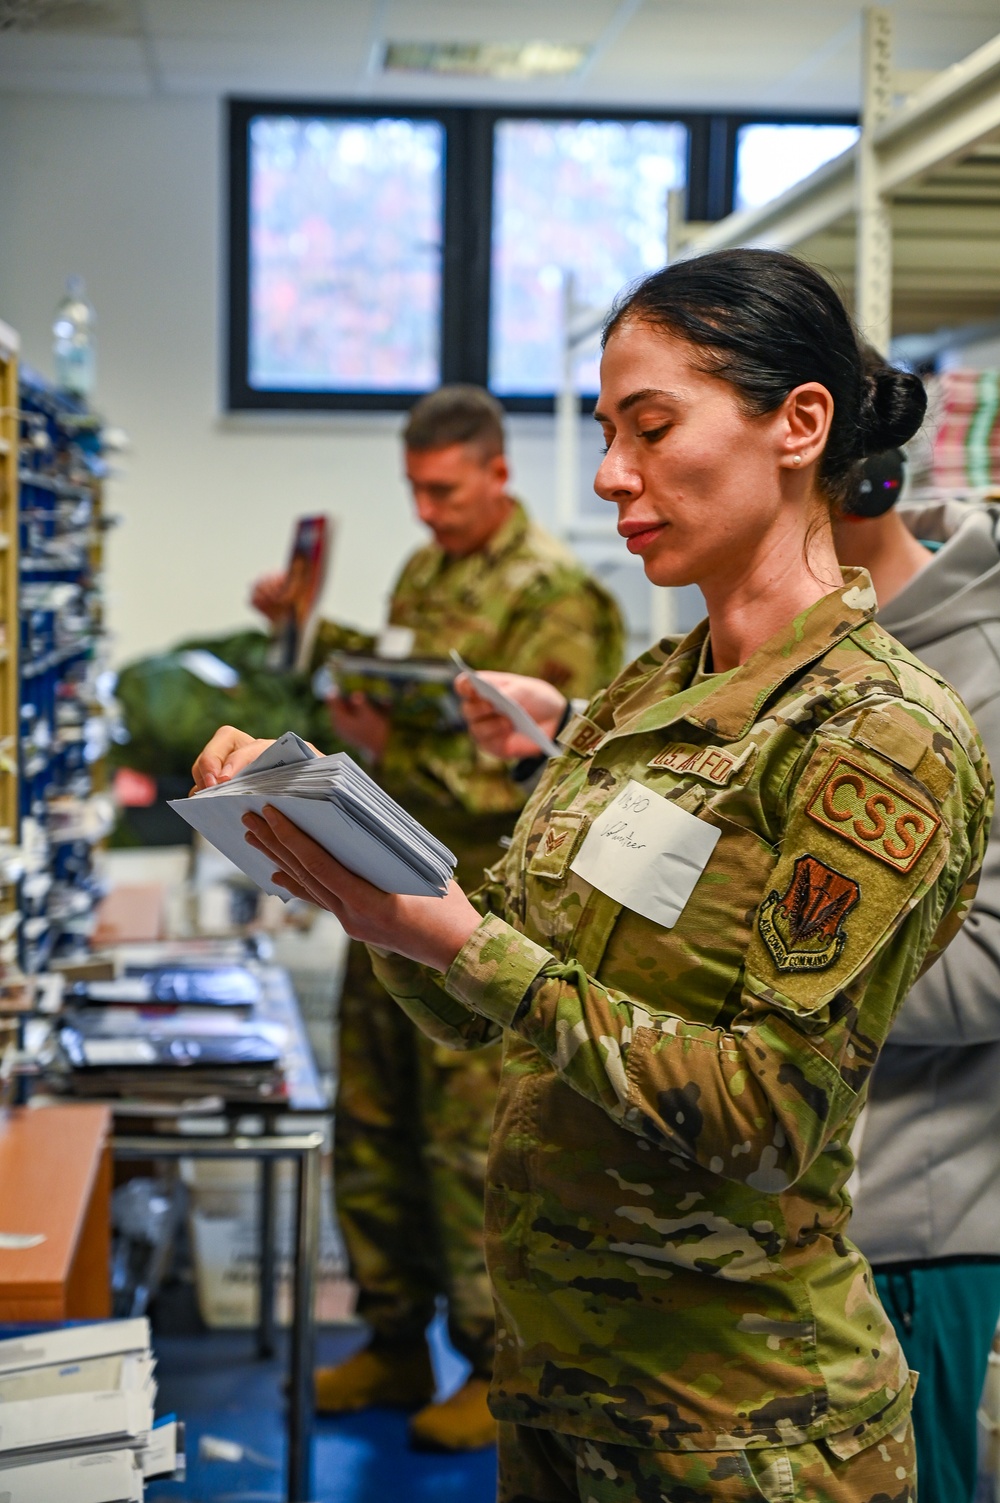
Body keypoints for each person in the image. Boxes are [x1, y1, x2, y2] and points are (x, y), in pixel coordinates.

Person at [208, 250, 992, 1502]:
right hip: (570, 1398)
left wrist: (467, 944)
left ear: (800, 425)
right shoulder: (643, 698)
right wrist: (357, 890)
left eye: (651, 426)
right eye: (606, 431)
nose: (610, 474)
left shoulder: (877, 734)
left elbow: (764, 1119)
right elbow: (497, 1002)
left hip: (744, 1433)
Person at [201, 384, 625, 1452]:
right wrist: (306, 636)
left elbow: (541, 779)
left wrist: (387, 752)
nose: (428, 513)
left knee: (465, 1146)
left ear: (495, 473)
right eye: (415, 493)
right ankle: (393, 1338)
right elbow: (406, 676)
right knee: (376, 1125)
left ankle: (489, 1362)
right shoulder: (425, 573)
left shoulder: (557, 599)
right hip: (377, 887)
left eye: (444, 492)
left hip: (477, 912)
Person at [833, 454, 1000, 1503]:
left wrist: (738, 972)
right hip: (765, 1227)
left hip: (901, 1238)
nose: (621, 479)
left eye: (657, 431)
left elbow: (987, 966)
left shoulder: (977, 669)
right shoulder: (800, 646)